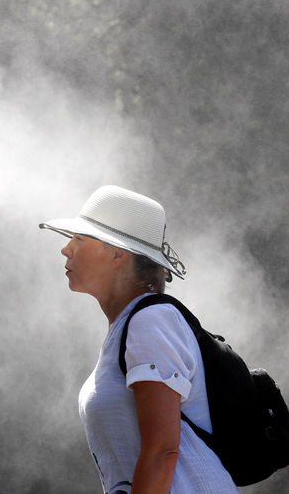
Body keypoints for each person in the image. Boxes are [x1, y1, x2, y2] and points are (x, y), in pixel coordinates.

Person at [40, 185, 239, 494]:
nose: (66, 249)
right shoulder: (132, 323)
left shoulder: (150, 320)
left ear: (118, 253)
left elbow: (162, 451)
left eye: (79, 239)